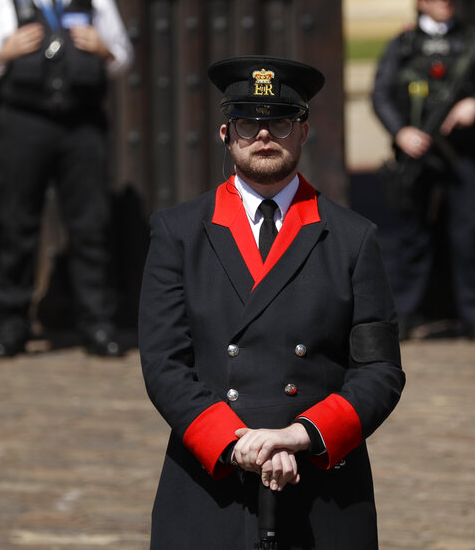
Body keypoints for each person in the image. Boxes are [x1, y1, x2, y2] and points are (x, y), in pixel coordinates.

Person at [138, 56, 405, 548]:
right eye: (248, 123)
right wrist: (235, 442)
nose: (264, 135)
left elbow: (380, 370)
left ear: (303, 132)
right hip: (211, 475)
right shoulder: (178, 233)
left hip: (321, 481)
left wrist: (300, 435)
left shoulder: (352, 237)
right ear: (226, 134)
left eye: (280, 122)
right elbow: (163, 362)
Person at [0, 0, 134, 358]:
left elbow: (123, 58)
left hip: (81, 123)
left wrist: (104, 50)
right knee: (16, 223)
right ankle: (11, 326)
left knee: (91, 225)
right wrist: (3, 53)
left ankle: (97, 325)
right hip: (24, 122)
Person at [371, 0, 475, 342]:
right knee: (412, 235)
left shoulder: (472, 43)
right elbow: (381, 93)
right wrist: (401, 132)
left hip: (462, 152)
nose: (443, 3)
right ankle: (403, 315)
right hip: (416, 155)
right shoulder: (404, 45)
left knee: (469, 234)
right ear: (421, 1)